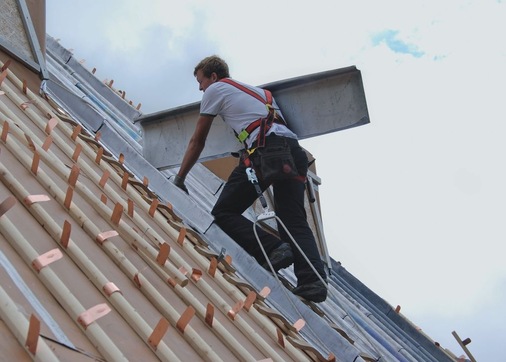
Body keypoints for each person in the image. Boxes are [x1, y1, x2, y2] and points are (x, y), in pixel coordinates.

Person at [173, 55, 327, 303]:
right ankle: (314, 282)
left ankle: (273, 249)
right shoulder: (260, 93)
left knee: (224, 211)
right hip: (293, 153)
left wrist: (180, 178)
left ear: (213, 77)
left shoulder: (216, 89)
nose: (200, 88)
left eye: (201, 82)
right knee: (293, 219)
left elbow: (198, 140)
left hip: (267, 152)